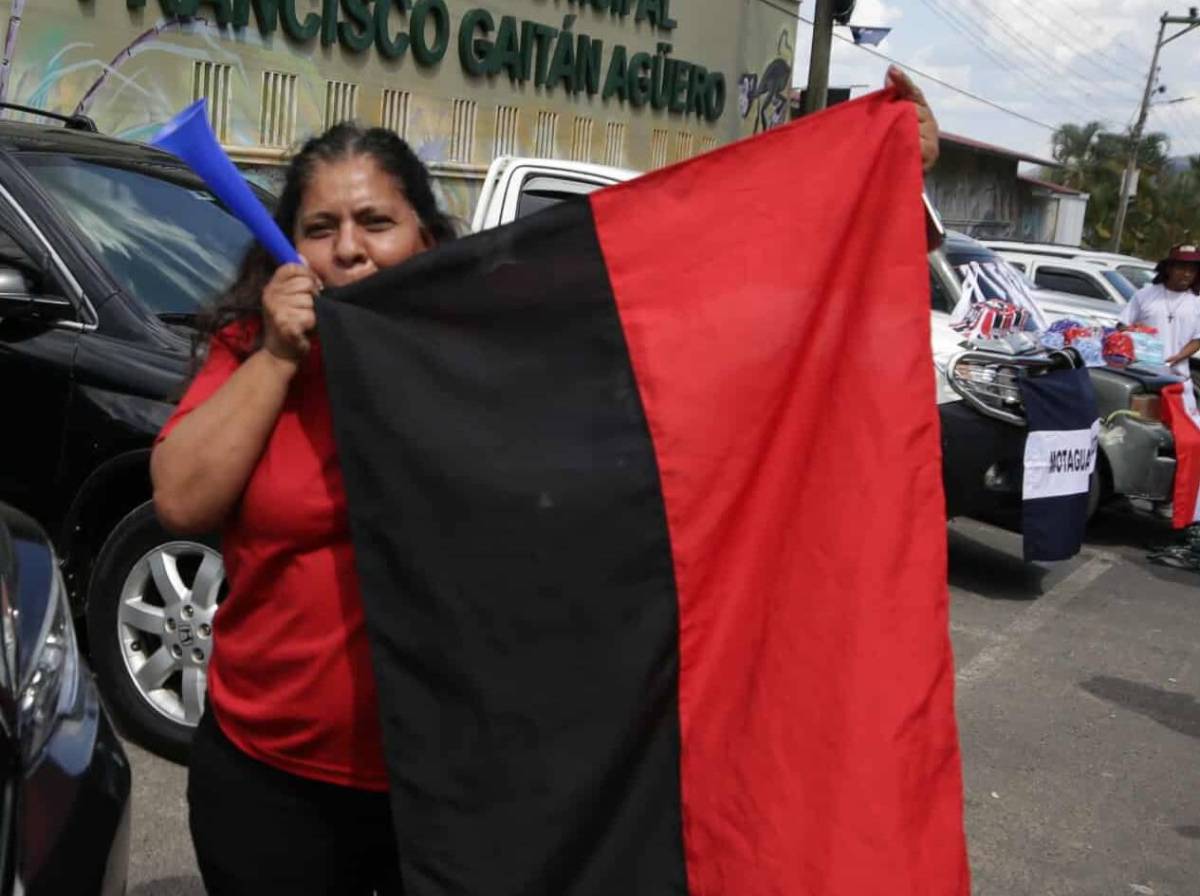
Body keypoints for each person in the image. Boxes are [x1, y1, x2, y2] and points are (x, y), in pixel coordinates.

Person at [150, 69, 940, 895]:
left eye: (376, 221)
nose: (348, 247)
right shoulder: (256, 351)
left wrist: (881, 190)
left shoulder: (490, 342)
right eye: (320, 227)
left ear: (425, 238)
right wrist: (277, 357)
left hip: (463, 791)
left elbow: (719, 318)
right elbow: (180, 501)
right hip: (273, 780)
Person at [1119, 243, 1200, 382]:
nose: (1187, 274)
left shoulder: (1197, 301)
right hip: (1141, 376)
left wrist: (1179, 356)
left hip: (1178, 379)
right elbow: (1122, 324)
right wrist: (1132, 333)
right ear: (1169, 268)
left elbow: (1198, 339)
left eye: (1192, 270)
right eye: (1181, 268)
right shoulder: (1145, 295)